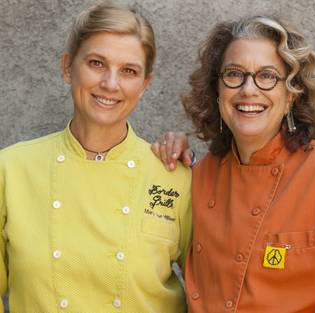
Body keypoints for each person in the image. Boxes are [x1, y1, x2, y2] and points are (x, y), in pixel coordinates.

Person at [152, 16, 315, 313]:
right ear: (217, 92)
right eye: (234, 74)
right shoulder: (200, 175)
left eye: (267, 76)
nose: (249, 89)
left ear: (290, 95)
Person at [0, 1, 192, 313]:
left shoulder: (176, 176)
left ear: (145, 84)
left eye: (129, 71)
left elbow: (212, 290)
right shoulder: (11, 169)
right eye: (97, 63)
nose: (110, 84)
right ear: (67, 67)